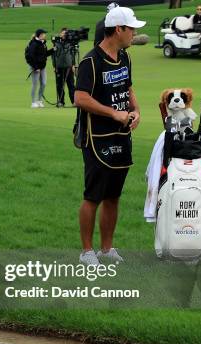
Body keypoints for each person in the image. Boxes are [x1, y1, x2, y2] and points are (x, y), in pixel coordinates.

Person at [74, 7, 144, 265]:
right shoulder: (90, 61)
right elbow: (80, 98)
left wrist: (135, 110)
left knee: (113, 196)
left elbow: (127, 87)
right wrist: (113, 113)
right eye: (131, 29)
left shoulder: (124, 57)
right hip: (97, 138)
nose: (134, 33)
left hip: (121, 136)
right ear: (118, 30)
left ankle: (107, 249)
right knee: (93, 196)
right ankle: (86, 252)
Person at [27, 28, 53, 108]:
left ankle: (39, 100)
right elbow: (30, 56)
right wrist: (35, 67)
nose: (45, 35)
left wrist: (53, 50)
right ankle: (33, 102)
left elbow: (44, 55)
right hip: (35, 68)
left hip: (42, 67)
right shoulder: (34, 44)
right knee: (35, 84)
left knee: (43, 83)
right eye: (44, 34)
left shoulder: (43, 43)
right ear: (40, 35)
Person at [53, 28, 76, 107]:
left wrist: (73, 64)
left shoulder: (70, 43)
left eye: (65, 33)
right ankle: (61, 102)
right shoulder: (56, 43)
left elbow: (73, 55)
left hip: (68, 67)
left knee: (71, 85)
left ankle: (74, 101)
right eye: (62, 33)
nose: (64, 34)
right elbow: (54, 55)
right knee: (59, 85)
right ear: (60, 34)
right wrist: (54, 66)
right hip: (59, 66)